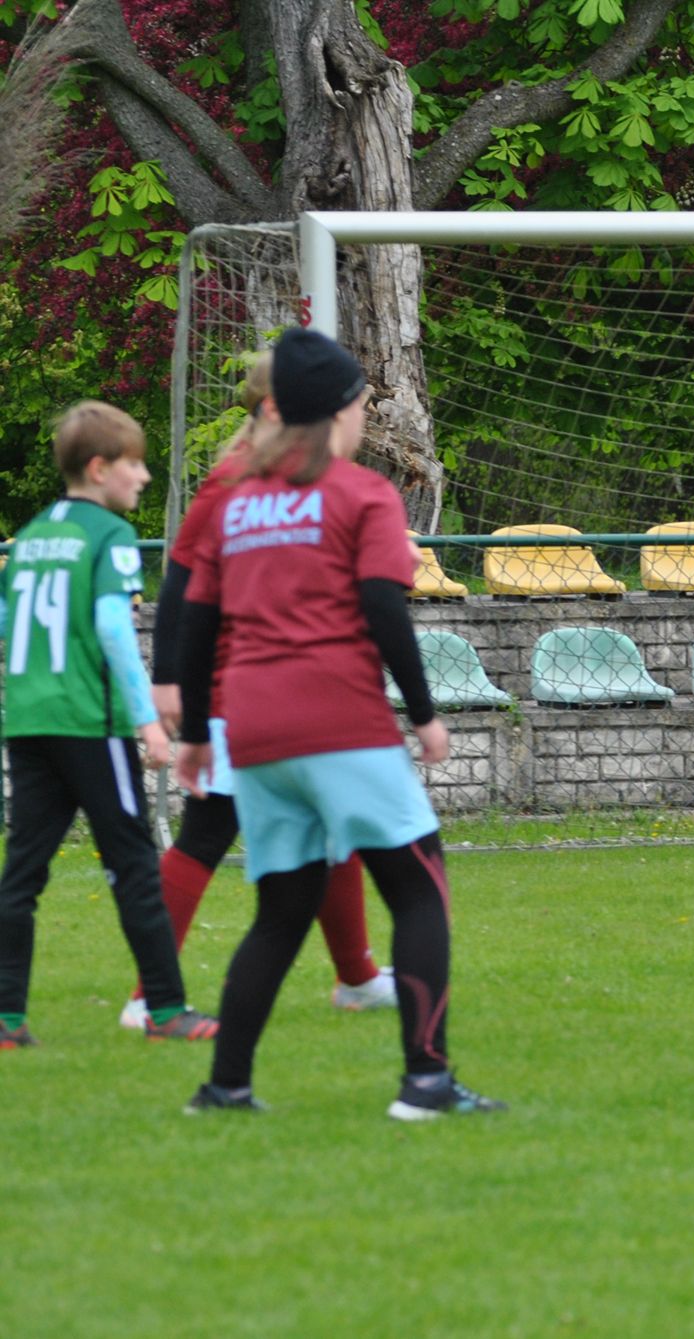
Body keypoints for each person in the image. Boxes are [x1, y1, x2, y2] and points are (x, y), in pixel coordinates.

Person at [176, 327, 502, 1120]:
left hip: (250, 732)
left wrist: (193, 735)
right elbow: (384, 609)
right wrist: (424, 715)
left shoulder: (238, 501)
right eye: (361, 404)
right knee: (420, 890)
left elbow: (195, 621)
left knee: (282, 910)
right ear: (337, 414)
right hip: (338, 722)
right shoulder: (361, 494)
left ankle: (226, 1087)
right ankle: (426, 1082)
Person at [135, 352, 395, 1031]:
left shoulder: (276, 475)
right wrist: (169, 682)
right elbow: (182, 584)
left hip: (260, 687)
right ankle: (148, 995)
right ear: (279, 410)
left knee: (328, 828)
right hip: (233, 688)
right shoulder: (235, 480)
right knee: (206, 836)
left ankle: (358, 976)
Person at [0, 401, 220, 1047]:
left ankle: (7, 1018)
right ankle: (165, 1009)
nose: (145, 476)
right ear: (99, 469)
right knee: (134, 865)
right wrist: (147, 721)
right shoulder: (109, 537)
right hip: (88, 726)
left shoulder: (32, 533)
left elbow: (12, 627)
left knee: (22, 873)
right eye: (134, 463)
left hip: (28, 719)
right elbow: (112, 631)